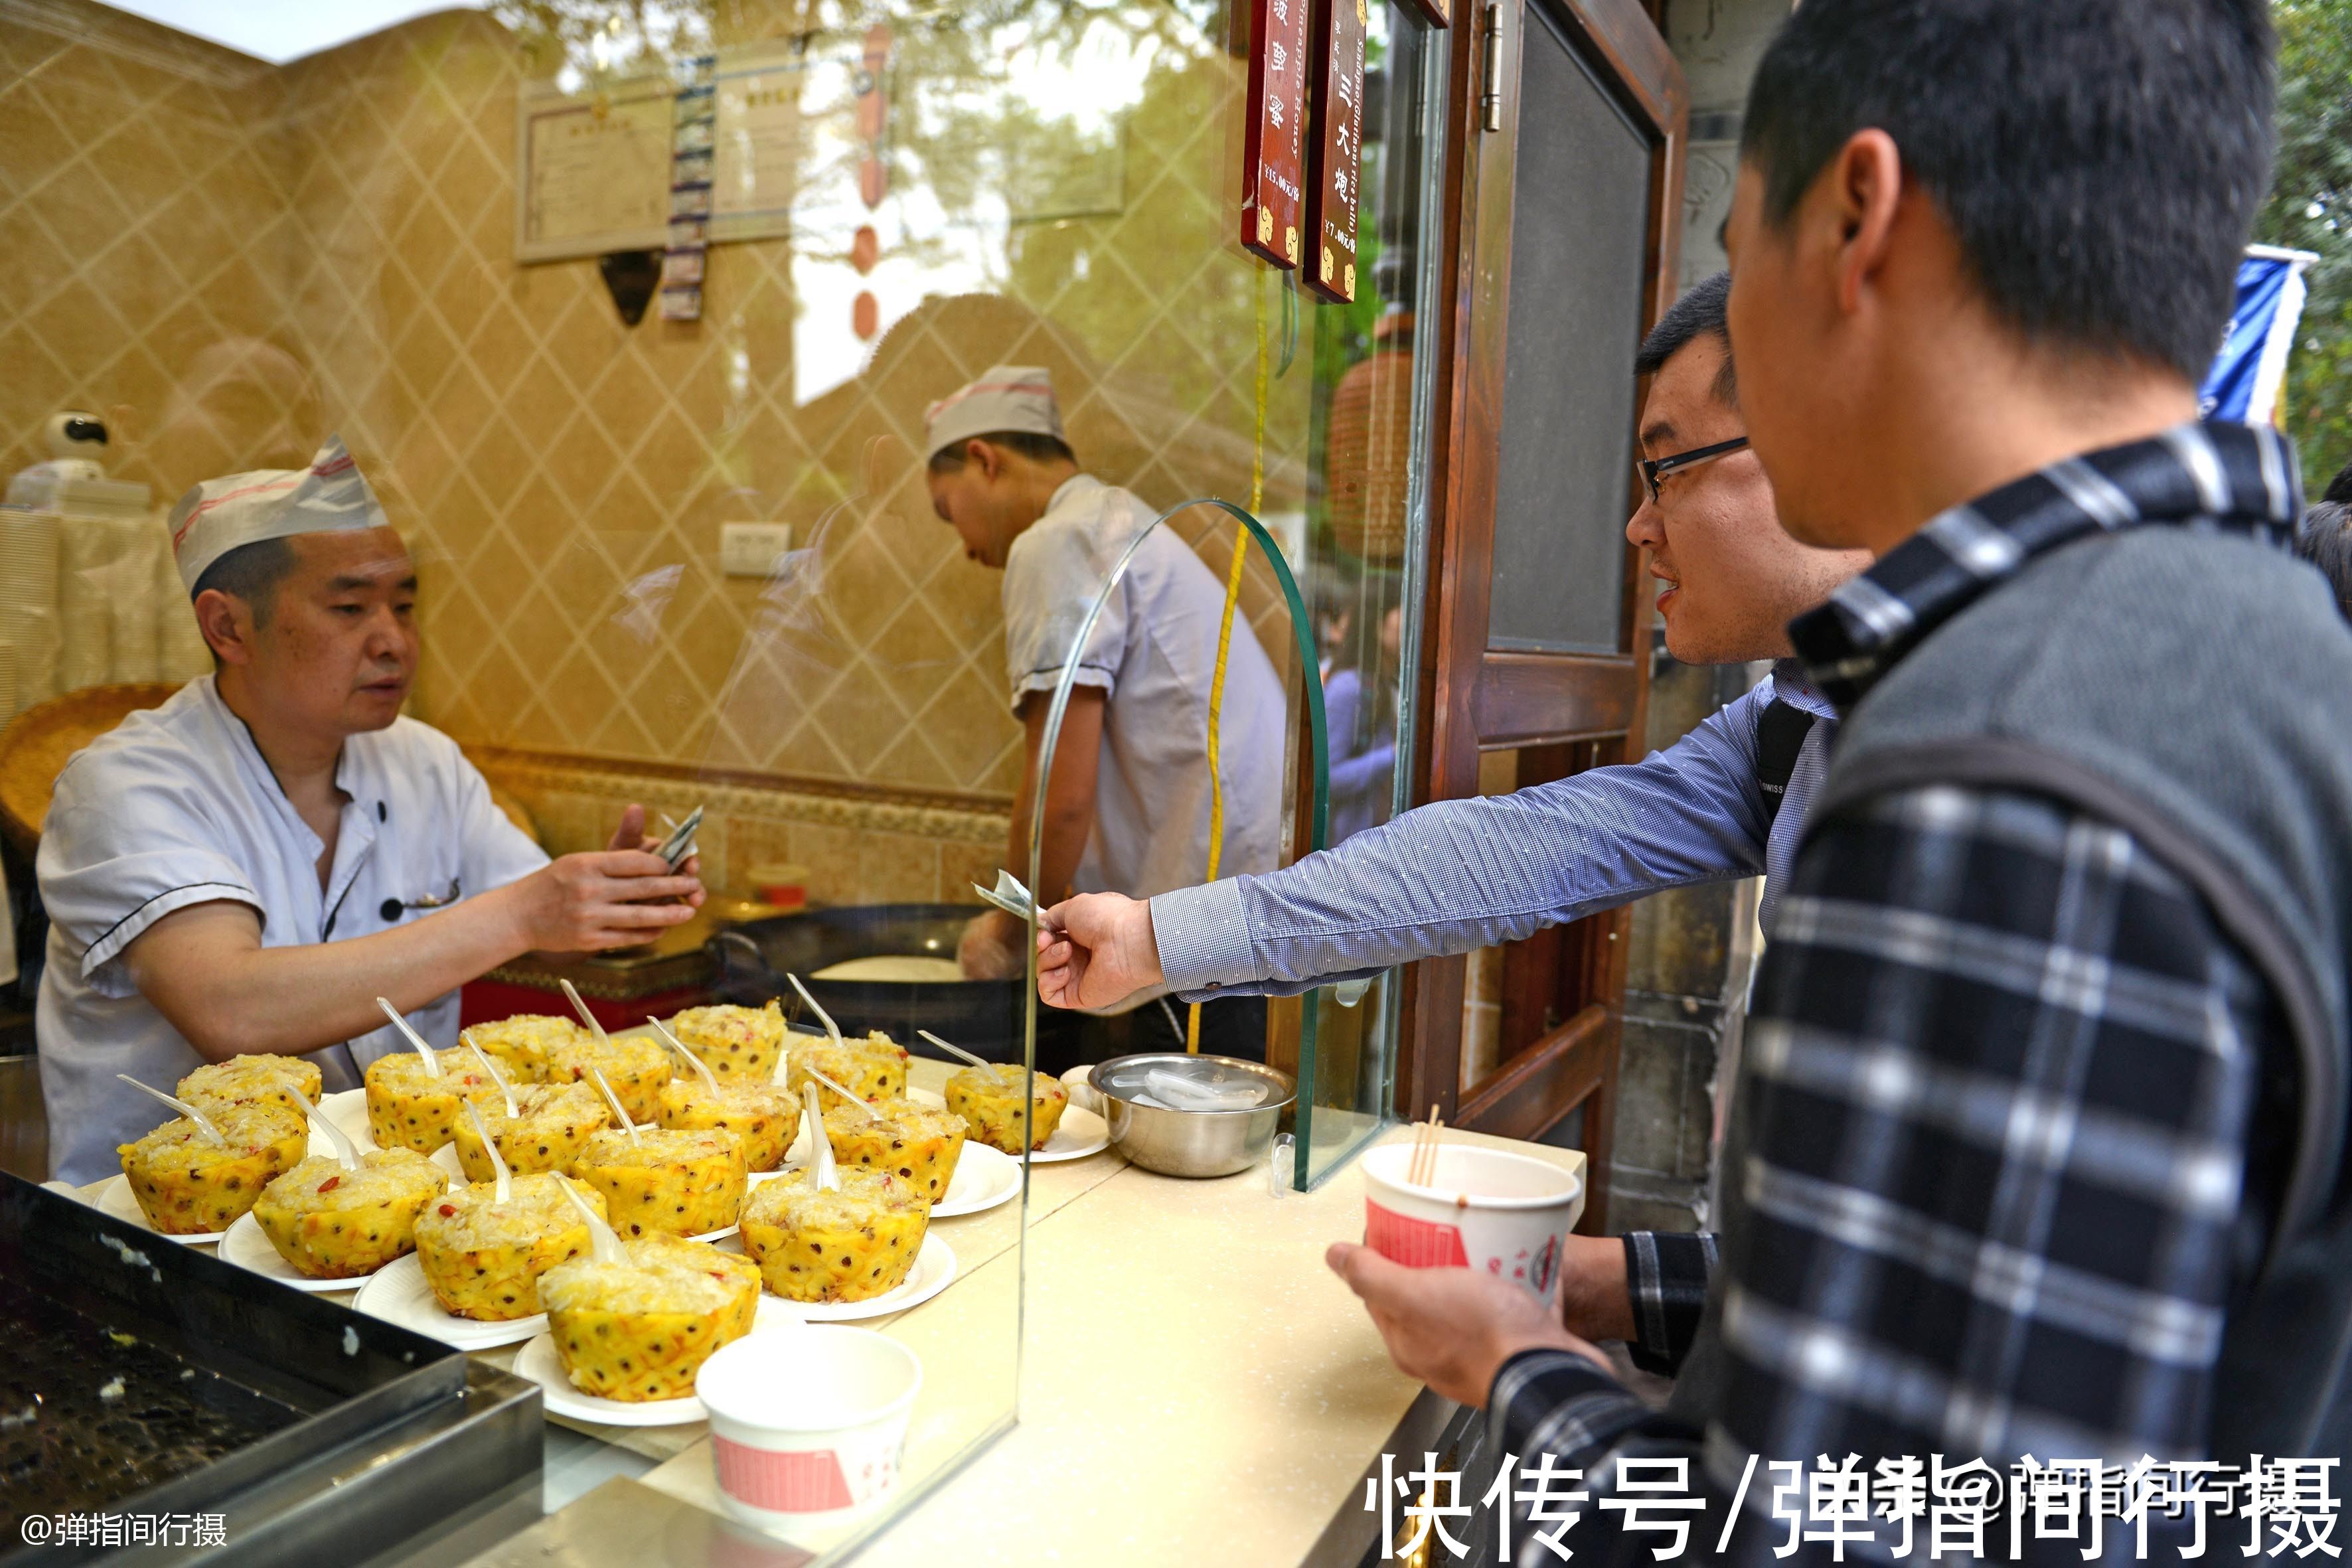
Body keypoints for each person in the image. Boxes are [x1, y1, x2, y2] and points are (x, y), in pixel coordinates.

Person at [1332, 1, 2352, 1559]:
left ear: (1857, 219)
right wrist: (1633, 1287)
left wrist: (1517, 1369)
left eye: (1743, 256)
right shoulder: (2264, 647)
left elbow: (1820, 1533)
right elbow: (2028, 1378)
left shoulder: (1995, 761)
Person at [1037, 272, 1869, 1357]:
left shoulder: (2002, 755)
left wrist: (1524, 1374)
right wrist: (1157, 939)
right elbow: (1509, 854)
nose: (1636, 526)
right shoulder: (1783, 730)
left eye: (1664, 467)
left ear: (1811, 446)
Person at [38, 436, 704, 1183]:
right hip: (167, 1230)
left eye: (406, 606)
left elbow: (544, 937)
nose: (394, 641)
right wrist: (522, 912)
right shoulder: (125, 784)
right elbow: (230, 1011)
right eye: (350, 607)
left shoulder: (425, 762)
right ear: (227, 627)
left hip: (386, 1200)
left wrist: (613, 901)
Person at [925, 366, 1285, 1061]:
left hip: (1192, 937)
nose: (965, 547)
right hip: (1236, 917)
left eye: (949, 510)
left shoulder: (1058, 541)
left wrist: (1004, 930)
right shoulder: (1117, 522)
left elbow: (1059, 793)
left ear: (983, 460)